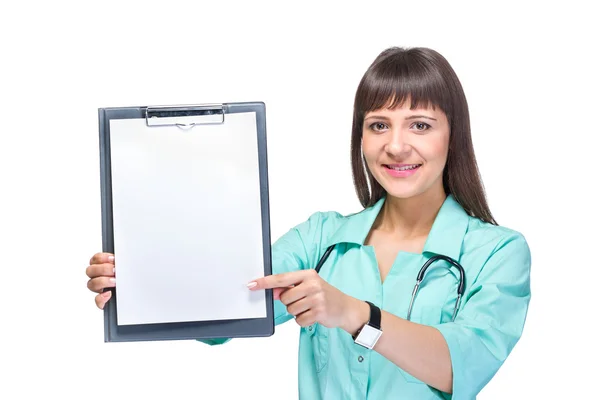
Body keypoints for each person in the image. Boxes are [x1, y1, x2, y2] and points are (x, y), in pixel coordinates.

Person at [86, 46, 531, 400]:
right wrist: (141, 275)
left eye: (419, 125)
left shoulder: (497, 252)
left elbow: (460, 365)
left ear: (454, 134)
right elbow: (226, 302)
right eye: (378, 125)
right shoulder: (321, 239)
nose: (395, 146)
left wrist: (355, 314)